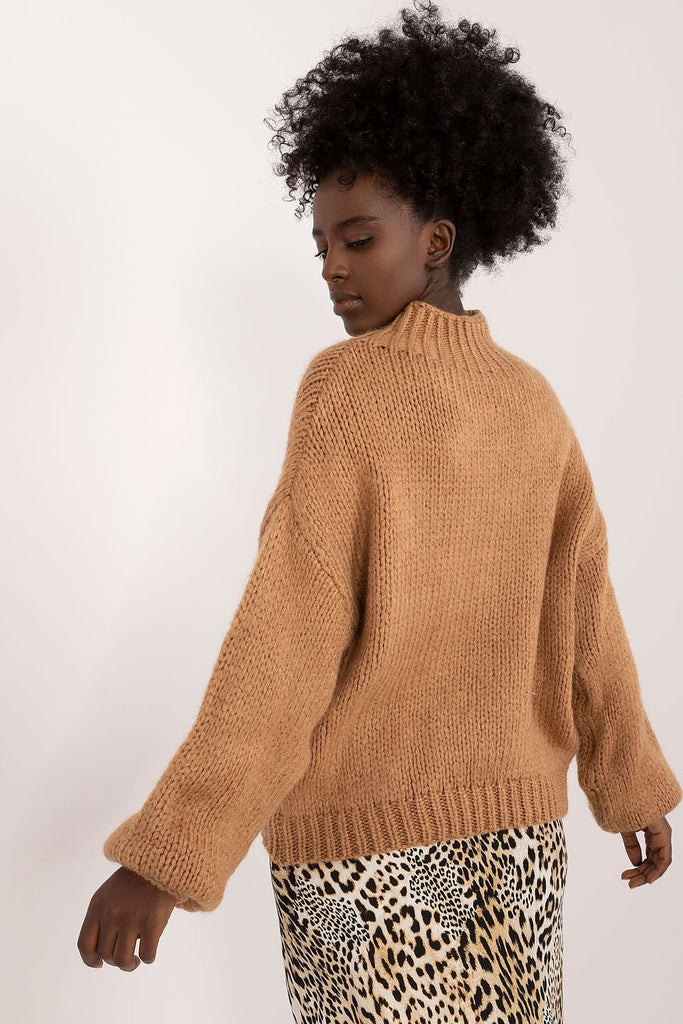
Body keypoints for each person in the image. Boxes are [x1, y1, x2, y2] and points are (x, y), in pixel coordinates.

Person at [78, 4, 681, 1020]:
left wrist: (164, 858)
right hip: (519, 845)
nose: (330, 266)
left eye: (356, 239)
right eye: (320, 243)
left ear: (436, 240)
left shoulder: (347, 391)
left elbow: (286, 636)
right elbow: (587, 615)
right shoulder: (530, 400)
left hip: (363, 860)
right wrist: (633, 788)